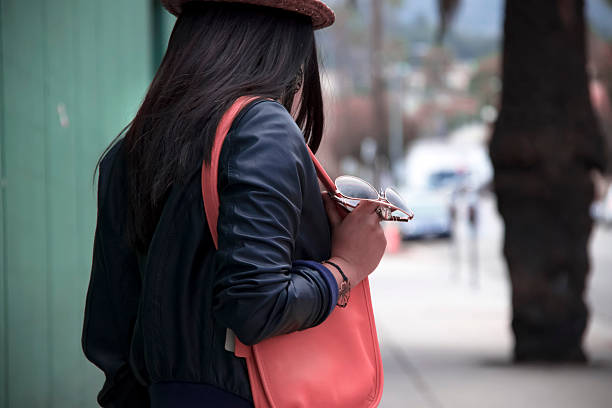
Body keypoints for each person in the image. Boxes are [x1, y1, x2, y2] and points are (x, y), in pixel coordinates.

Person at [81, 1, 387, 407]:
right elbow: (256, 305)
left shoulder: (132, 150)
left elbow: (109, 333)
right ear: (286, 46)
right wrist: (346, 267)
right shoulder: (260, 128)